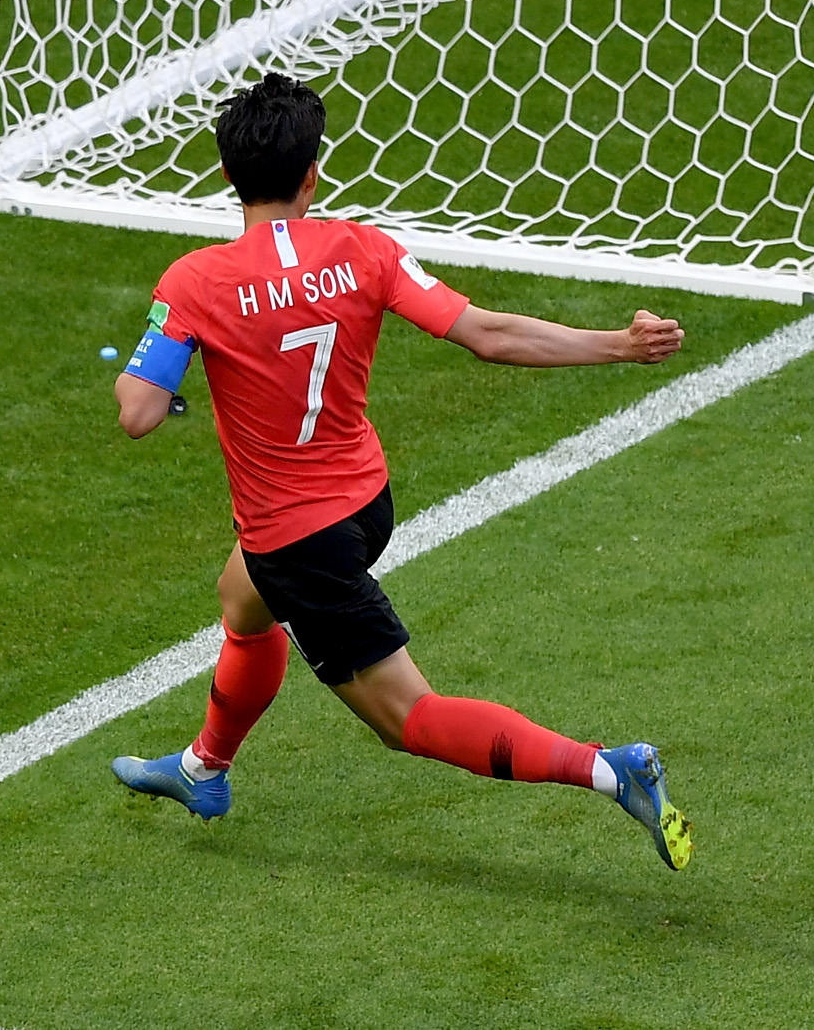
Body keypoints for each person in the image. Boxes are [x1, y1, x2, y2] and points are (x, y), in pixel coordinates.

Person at [105, 73, 693, 870]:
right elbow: (488, 333)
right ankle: (204, 768)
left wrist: (158, 370)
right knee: (240, 598)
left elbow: (139, 412)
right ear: (313, 173)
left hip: (299, 540)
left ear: (225, 177)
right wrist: (620, 344)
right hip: (367, 502)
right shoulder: (364, 249)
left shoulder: (194, 281)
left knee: (406, 718)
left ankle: (605, 766)